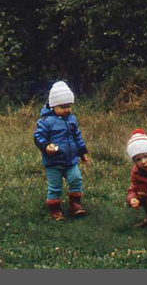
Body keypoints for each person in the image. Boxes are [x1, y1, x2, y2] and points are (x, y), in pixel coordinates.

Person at [33, 80, 91, 221]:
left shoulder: (71, 119)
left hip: (71, 160)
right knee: (55, 186)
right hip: (54, 162)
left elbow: (77, 136)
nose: (67, 110)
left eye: (69, 106)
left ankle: (75, 204)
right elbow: (38, 136)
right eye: (63, 107)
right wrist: (46, 146)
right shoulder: (45, 121)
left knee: (76, 178)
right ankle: (55, 209)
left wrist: (82, 152)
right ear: (53, 106)